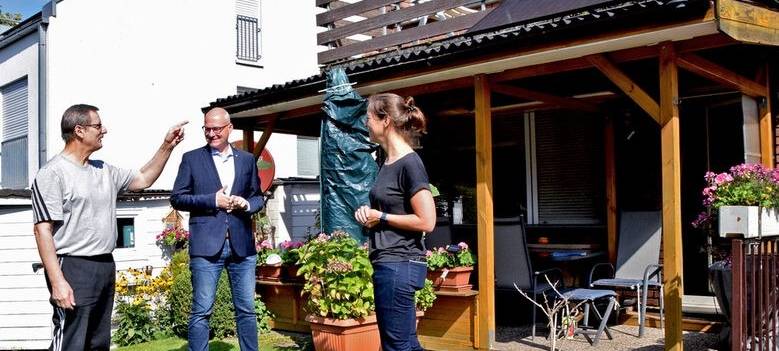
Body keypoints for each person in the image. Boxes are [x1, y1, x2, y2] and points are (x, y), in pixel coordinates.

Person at [31, 104, 187, 351]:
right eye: (98, 125)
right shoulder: (52, 173)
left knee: (98, 342)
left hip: (104, 265)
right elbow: (42, 231)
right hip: (72, 266)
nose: (105, 130)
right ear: (79, 130)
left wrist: (167, 146)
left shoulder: (103, 170)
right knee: (71, 341)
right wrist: (57, 281)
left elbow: (144, 178)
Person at [170, 107, 263, 351]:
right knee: (201, 311)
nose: (211, 134)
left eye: (216, 129)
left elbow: (258, 198)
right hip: (206, 247)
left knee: (247, 310)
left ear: (229, 128)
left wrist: (246, 204)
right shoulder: (191, 159)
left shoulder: (247, 160)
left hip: (242, 246)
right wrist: (213, 200)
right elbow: (178, 198)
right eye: (207, 129)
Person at [354, 93, 436, 351]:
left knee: (396, 345)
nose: (365, 123)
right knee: (406, 344)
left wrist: (382, 216)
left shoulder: (410, 163)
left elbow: (427, 221)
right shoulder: (387, 161)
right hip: (390, 262)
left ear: (385, 120)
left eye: (368, 118)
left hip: (399, 263)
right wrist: (373, 219)